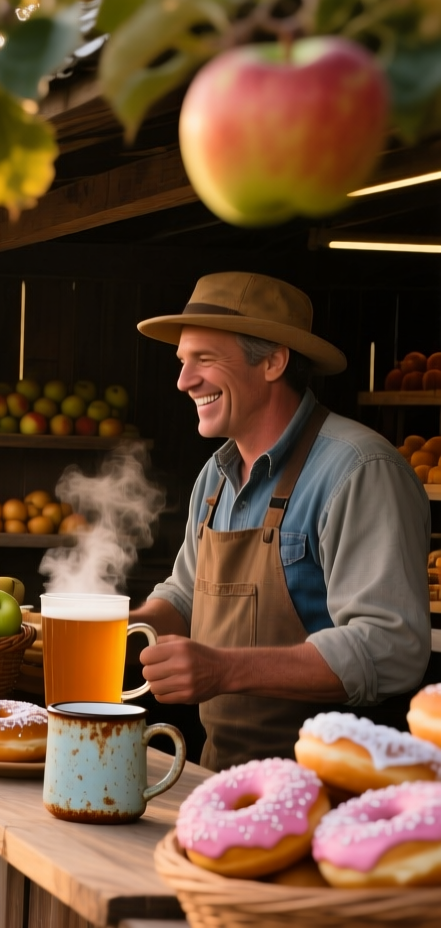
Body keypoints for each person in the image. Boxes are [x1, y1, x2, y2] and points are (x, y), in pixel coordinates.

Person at [130, 271, 431, 770]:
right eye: (183, 362)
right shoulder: (216, 476)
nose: (183, 381)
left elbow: (390, 646)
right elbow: (183, 595)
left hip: (334, 795)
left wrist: (223, 670)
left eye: (204, 359)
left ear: (273, 361)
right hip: (221, 775)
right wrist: (119, 627)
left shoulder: (359, 470)